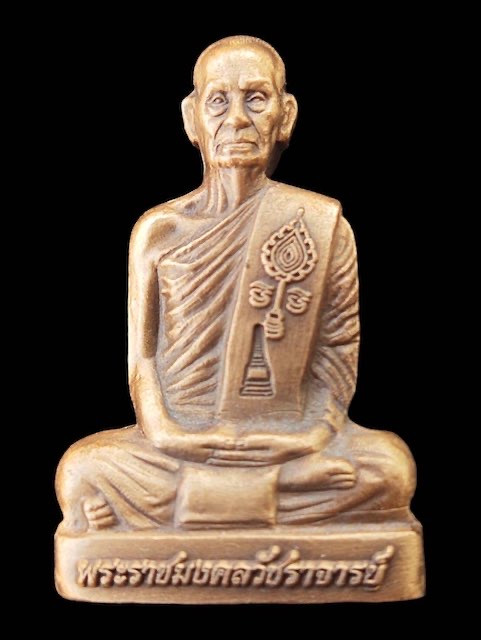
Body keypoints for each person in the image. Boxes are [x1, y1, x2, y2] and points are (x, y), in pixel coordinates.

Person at [56, 36, 416, 532]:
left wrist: (309, 437)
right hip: (177, 445)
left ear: (285, 116)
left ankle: (202, 504)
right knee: (82, 470)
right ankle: (277, 494)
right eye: (219, 101)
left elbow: (337, 356)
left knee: (390, 468)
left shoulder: (321, 224)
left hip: (287, 441)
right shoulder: (159, 232)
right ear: (192, 118)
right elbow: (142, 363)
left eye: (256, 99)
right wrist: (169, 437)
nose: (238, 120)